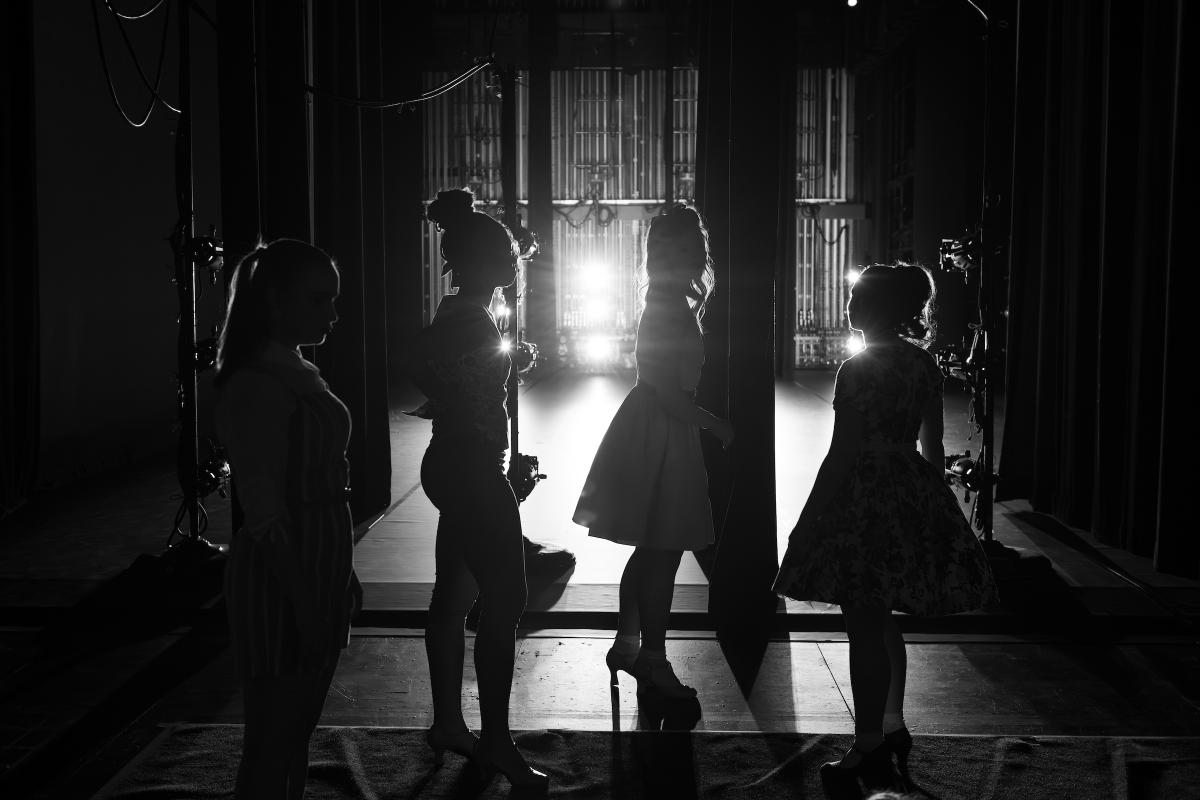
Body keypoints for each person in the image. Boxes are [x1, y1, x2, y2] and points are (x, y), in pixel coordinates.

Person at [772, 263, 998, 798]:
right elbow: (933, 446)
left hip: (863, 498)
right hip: (910, 489)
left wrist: (806, 524)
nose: (848, 305)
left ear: (876, 308)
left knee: (863, 624)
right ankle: (891, 724)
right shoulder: (923, 365)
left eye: (856, 297)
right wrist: (937, 508)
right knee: (885, 617)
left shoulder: (858, 368)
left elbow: (842, 453)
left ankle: (868, 738)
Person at [407, 188, 548, 793]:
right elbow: (450, 379)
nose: (510, 271)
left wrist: (507, 358)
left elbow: (455, 378)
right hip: (470, 464)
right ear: (492, 265)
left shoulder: (461, 314)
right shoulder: (467, 320)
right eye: (507, 261)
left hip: (459, 461)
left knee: (454, 593)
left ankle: (447, 722)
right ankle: (495, 739)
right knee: (507, 598)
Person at [214, 238, 362, 800]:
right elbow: (265, 512)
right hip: (284, 574)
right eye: (320, 299)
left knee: (295, 732)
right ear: (276, 302)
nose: (333, 312)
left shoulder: (293, 370)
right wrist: (303, 599)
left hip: (315, 564)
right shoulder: (257, 383)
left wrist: (339, 575)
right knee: (272, 738)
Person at [572, 204, 735, 699]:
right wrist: (716, 424)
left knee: (652, 548)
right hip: (664, 428)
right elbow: (666, 391)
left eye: (686, 247)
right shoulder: (668, 306)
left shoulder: (666, 302)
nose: (679, 256)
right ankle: (654, 659)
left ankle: (627, 644)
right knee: (663, 553)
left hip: (652, 428)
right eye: (669, 247)